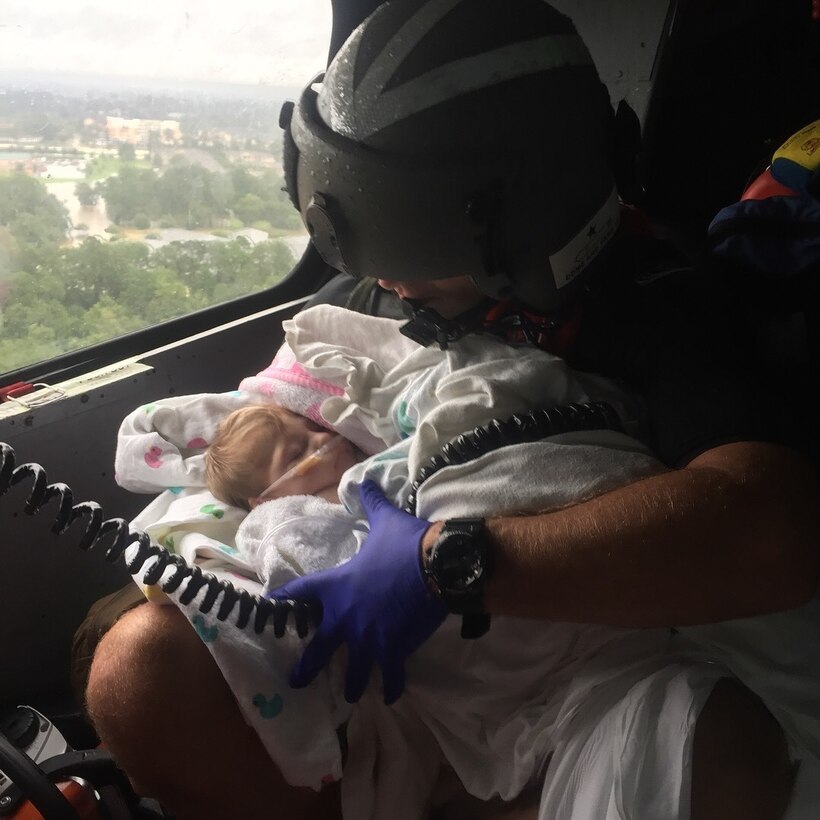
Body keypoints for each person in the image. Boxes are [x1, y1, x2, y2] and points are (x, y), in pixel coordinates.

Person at [85, 1, 819, 817]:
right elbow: (253, 439)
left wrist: (451, 565)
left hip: (576, 682)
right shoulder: (371, 299)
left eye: (416, 260)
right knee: (135, 667)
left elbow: (768, 528)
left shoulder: (657, 305)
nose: (389, 284)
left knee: (713, 756)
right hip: (380, 678)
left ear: (529, 216)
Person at [204, 403, 362, 509]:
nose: (324, 438)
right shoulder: (301, 523)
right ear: (268, 500)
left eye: (314, 426)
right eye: (297, 453)